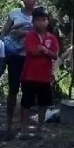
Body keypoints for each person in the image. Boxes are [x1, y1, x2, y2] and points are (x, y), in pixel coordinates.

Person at [1, 0, 39, 135]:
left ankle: (24, 124)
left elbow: (45, 34)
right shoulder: (14, 13)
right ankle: (9, 122)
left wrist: (26, 33)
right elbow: (4, 32)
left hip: (32, 57)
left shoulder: (39, 15)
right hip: (15, 57)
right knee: (13, 89)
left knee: (28, 91)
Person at [20, 7, 59, 135]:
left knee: (43, 103)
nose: (41, 23)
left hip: (45, 76)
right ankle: (24, 128)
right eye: (37, 20)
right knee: (27, 103)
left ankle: (39, 128)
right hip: (29, 76)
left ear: (48, 21)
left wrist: (45, 51)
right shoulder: (30, 35)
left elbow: (55, 55)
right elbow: (32, 52)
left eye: (44, 20)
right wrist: (42, 51)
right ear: (33, 21)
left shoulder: (52, 38)